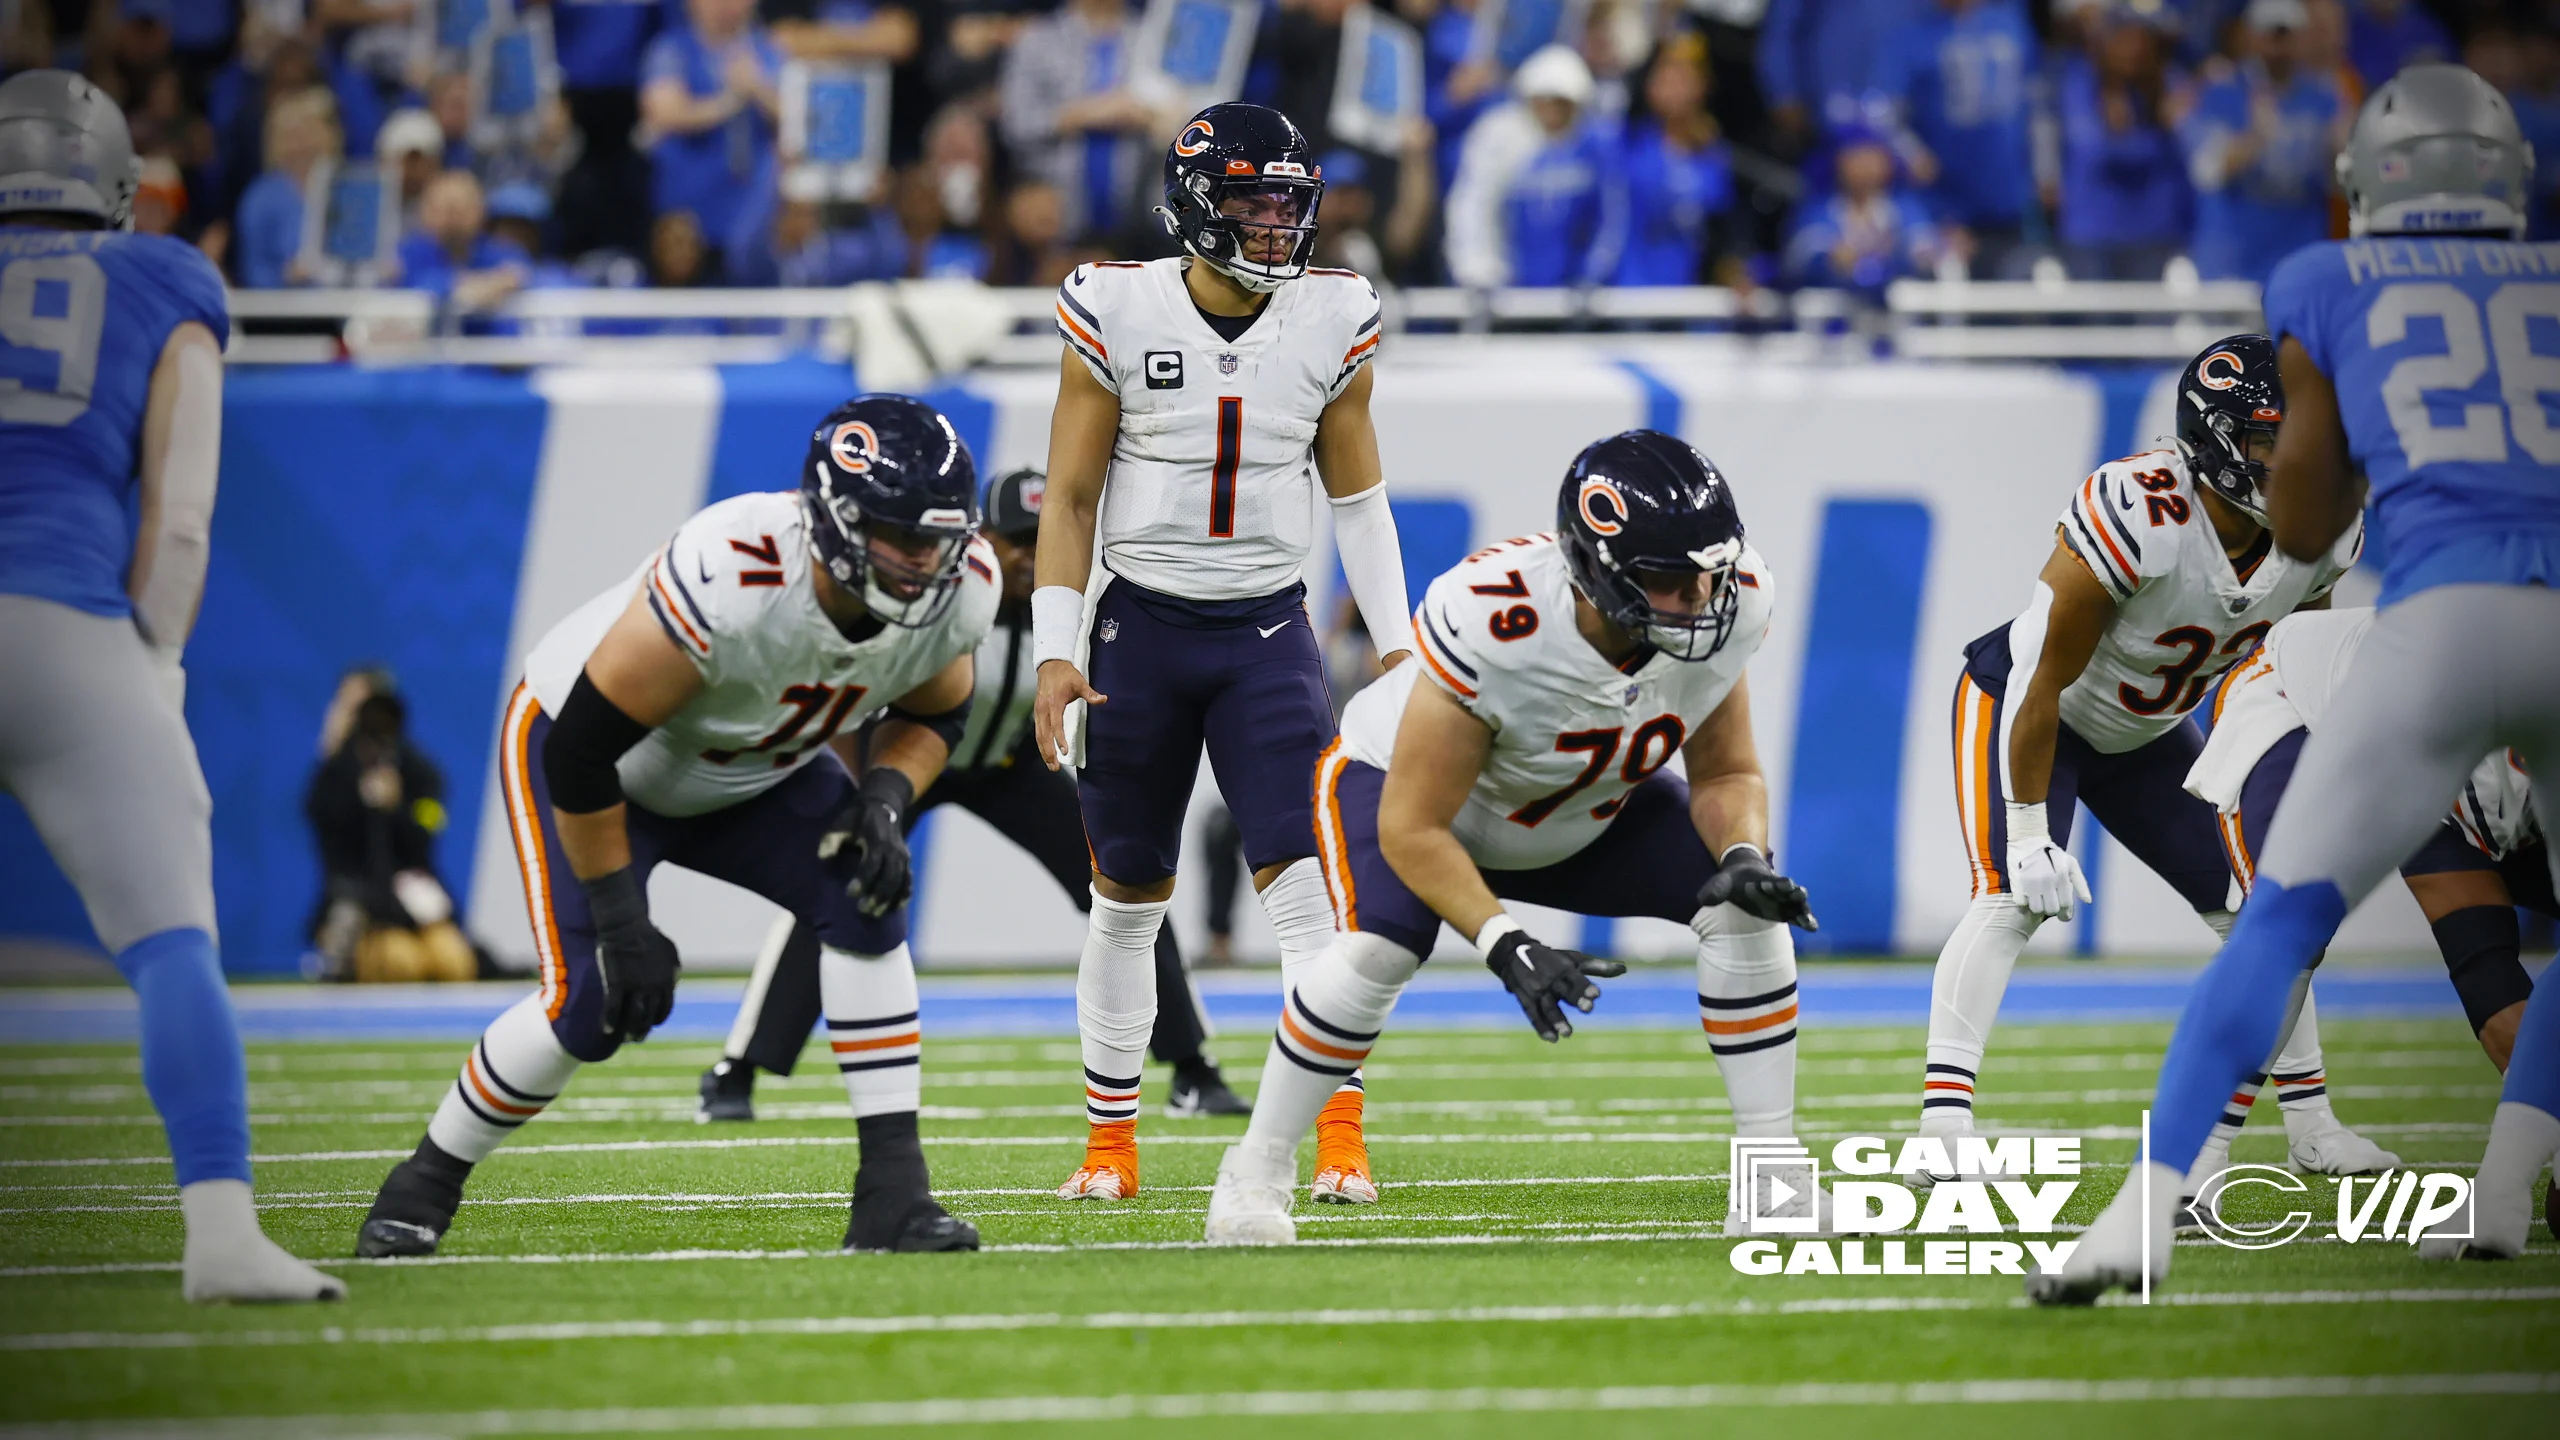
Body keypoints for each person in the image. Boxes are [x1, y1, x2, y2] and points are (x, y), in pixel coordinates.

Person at [2041, 66, 2560, 1294]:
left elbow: (2308, 517)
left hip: (2436, 622)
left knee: (2274, 922)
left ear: (2365, 185)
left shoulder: (2321, 282)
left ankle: (2145, 1213)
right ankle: (2501, 1194)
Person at [353, 394, 994, 1259]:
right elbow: (581, 753)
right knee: (592, 1002)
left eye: (940, 540)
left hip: (756, 763)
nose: (926, 562)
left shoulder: (963, 589)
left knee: (864, 896)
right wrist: (622, 918)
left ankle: (894, 1195)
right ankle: (422, 1185)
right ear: (835, 520)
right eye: (900, 535)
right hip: (603, 761)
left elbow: (936, 710)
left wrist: (883, 798)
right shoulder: (736, 572)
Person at [1201, 432, 1821, 1244]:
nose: (1701, 600)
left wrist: (1740, 854)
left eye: (1709, 575)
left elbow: (1728, 773)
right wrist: (1504, 941)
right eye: (1671, 581)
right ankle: (1254, 1174)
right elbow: (1413, 827)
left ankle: (1772, 1184)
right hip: (1412, 792)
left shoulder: (1730, 600)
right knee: (1382, 947)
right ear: (1597, 570)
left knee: (1745, 908)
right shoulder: (1497, 619)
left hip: (1580, 803)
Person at [0, 71, 343, 1303]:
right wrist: (152, 663)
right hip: (65, 626)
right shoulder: (161, 280)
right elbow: (181, 517)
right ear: (114, 186)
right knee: (169, 943)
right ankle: (220, 1234)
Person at [1031, 102, 1414, 1205]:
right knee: (1125, 897)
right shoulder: (1117, 305)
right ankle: (1110, 1150)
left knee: (1313, 900)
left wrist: (1397, 649)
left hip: (1266, 635)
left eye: (1291, 203)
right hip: (1139, 631)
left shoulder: (1334, 314)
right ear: (1197, 205)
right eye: (1255, 203)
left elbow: (1361, 501)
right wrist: (1055, 649)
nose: (1278, 224)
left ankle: (1337, 1138)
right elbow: (1069, 494)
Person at [1916, 334, 2394, 1205]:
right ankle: (1942, 1131)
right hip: (2034, 707)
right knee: (2010, 897)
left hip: (2151, 732)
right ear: (2213, 439)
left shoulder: (2323, 531)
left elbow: (2301, 659)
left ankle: (2311, 1122)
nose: (2294, 463)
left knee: (2264, 916)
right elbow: (2040, 675)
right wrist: (2027, 830)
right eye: (2270, 442)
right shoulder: (2140, 508)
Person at [698, 468, 1249, 1121]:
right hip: (912, 756)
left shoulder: (1077, 603)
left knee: (1124, 880)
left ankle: (1192, 1067)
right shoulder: (945, 594)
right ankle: (737, 1068)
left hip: (1011, 763)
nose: (1030, 557)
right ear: (981, 540)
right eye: (1016, 541)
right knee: (834, 880)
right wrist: (859, 787)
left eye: (1042, 541)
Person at [2186, 608, 2542, 1073]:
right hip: (2293, 701)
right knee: (2286, 937)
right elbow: (2488, 980)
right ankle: (2206, 1122)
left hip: (2443, 758)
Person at [305, 668, 478, 985]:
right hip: (360, 905)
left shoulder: (422, 772)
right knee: (401, 964)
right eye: (348, 707)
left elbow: (430, 830)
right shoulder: (333, 775)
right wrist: (334, 758)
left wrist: (396, 807)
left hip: (413, 900)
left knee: (453, 962)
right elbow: (323, 827)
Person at [2181, 0, 2350, 284]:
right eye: (2271, 34)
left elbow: (2341, 183)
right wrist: (2255, 138)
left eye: (2286, 35)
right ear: (2250, 36)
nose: (2278, 46)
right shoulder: (2224, 90)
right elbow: (2207, 171)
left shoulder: (2324, 95)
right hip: (2234, 264)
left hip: (2297, 257)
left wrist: (2341, 149)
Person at [1869, 0, 2039, 277]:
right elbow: (1881, 111)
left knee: (2012, 289)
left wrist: (2044, 168)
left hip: (2006, 195)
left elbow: (2037, 99)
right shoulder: (1910, 35)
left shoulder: (2010, 24)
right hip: (1942, 201)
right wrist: (1912, 153)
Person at [1442, 44, 1616, 290]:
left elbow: (1609, 216)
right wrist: (1478, 268)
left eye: (1562, 103)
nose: (1552, 111)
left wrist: (1592, 274)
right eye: (1545, 100)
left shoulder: (1593, 144)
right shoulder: (1499, 137)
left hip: (1573, 289)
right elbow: (1473, 204)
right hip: (1507, 287)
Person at [640, 0, 782, 278]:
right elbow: (664, 112)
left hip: (752, 204)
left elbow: (798, 116)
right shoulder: (673, 49)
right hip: (689, 203)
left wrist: (758, 88)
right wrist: (729, 101)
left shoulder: (766, 50)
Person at [2054, 9, 2191, 280]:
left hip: (2154, 233)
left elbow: (2193, 155)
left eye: (2142, 39)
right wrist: (2155, 138)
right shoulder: (2080, 84)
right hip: (2093, 234)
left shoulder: (2171, 84)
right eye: (2124, 38)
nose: (2134, 49)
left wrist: (2156, 129)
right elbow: (2096, 153)